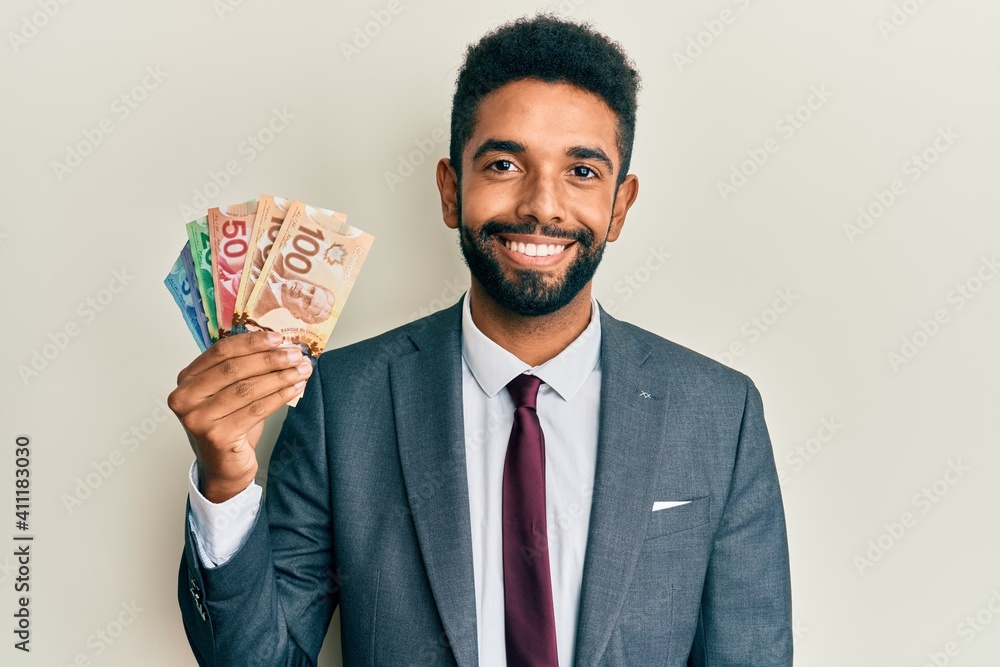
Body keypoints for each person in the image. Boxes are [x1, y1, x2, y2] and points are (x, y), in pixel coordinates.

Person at [169, 14, 792, 666]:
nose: (541, 206)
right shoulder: (342, 404)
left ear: (620, 207)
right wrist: (226, 483)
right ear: (449, 189)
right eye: (503, 163)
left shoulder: (722, 413)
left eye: (581, 172)